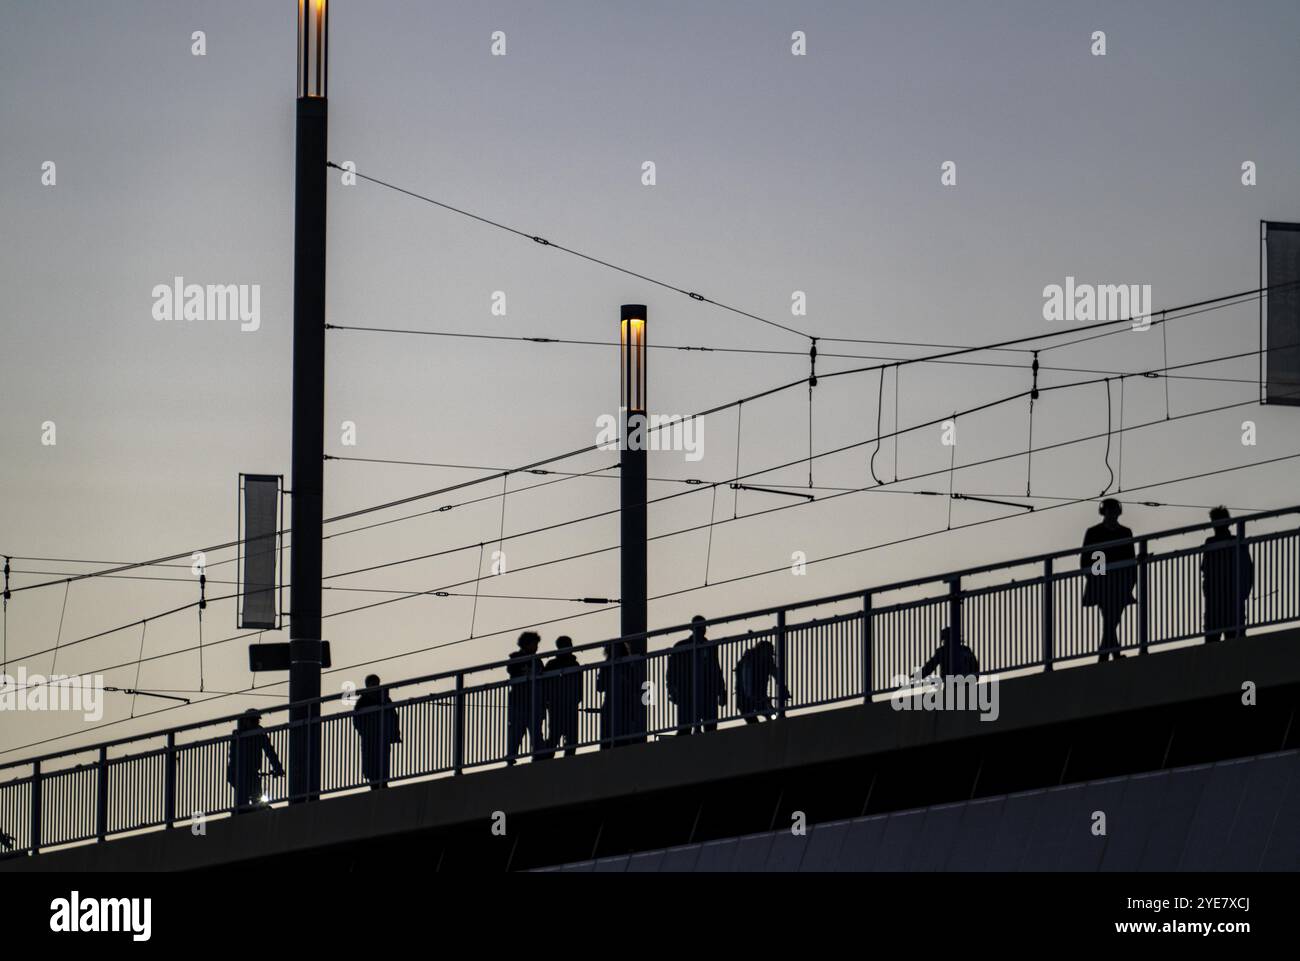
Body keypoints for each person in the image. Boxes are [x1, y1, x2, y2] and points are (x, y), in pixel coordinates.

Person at [1080, 498, 1137, 662]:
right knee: (1110, 619)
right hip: (1102, 584)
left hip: (1120, 583)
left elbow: (1130, 558)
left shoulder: (1126, 532)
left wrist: (1130, 581)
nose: (1112, 514)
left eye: (1113, 511)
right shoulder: (1094, 532)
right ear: (1104, 512)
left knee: (1112, 620)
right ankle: (1111, 654)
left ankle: (1105, 655)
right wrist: (1095, 578)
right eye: (1109, 511)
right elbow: (1086, 559)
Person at [1201, 506, 1254, 643]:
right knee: (1236, 644)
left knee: (1212, 645)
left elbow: (1205, 570)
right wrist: (1244, 592)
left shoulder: (1211, 543)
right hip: (1231, 601)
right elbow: (1248, 568)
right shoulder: (1237, 541)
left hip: (1217, 602)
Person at [226, 709, 284, 812]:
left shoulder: (259, 733)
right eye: (253, 721)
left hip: (251, 772)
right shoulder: (238, 734)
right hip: (239, 773)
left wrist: (278, 768)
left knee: (256, 799)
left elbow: (269, 751)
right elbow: (233, 756)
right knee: (244, 802)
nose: (256, 724)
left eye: (257, 721)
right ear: (246, 721)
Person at [353, 674, 401, 789]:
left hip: (379, 737)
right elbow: (357, 719)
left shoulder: (380, 698)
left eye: (375, 683)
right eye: (372, 684)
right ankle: (377, 785)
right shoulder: (364, 700)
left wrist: (394, 733)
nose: (374, 686)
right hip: (371, 737)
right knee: (373, 764)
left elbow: (392, 716)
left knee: (380, 763)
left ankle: (381, 785)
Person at [541, 636, 583, 758]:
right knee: (567, 737)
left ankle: (547, 761)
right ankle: (564, 760)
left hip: (559, 705)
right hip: (563, 705)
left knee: (556, 736)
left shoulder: (552, 664)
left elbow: (544, 685)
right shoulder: (573, 664)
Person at [506, 631, 542, 763]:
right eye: (534, 644)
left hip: (533, 701)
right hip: (520, 701)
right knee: (517, 731)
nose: (537, 647)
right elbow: (512, 670)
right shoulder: (516, 658)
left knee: (535, 731)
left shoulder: (537, 660)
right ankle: (512, 757)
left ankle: (537, 755)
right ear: (526, 644)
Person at [734, 637, 789, 724]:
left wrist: (784, 690)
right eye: (769, 653)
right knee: (753, 722)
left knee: (772, 715)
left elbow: (777, 675)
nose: (770, 656)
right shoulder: (748, 661)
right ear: (762, 651)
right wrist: (750, 695)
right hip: (745, 698)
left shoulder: (768, 661)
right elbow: (745, 680)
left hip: (760, 697)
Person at [595, 640, 631, 747]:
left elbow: (599, 687)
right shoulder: (627, 665)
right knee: (613, 735)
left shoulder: (626, 665)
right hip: (616, 704)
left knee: (612, 735)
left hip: (618, 704)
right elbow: (600, 687)